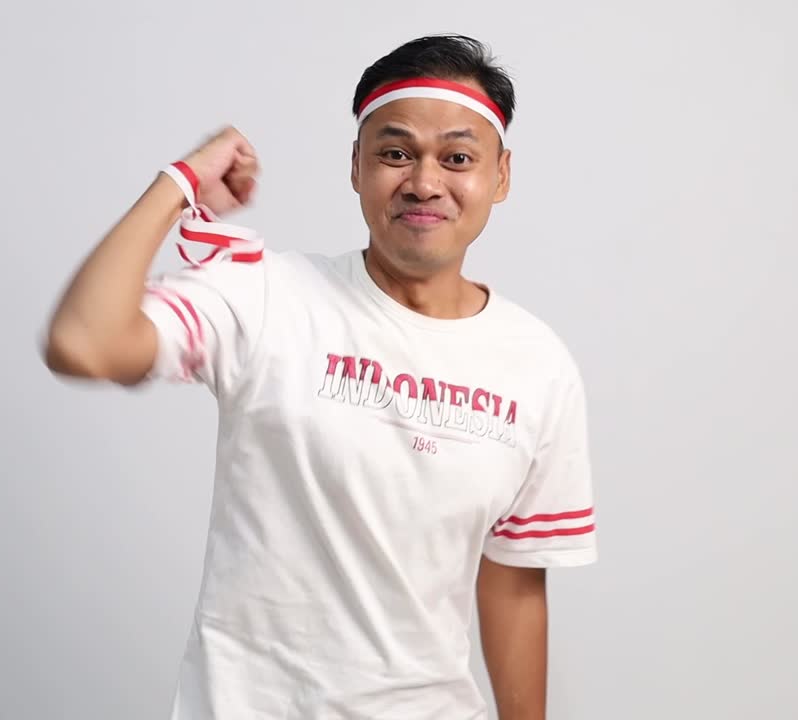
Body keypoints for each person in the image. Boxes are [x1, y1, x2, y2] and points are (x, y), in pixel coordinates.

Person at [44, 33, 597, 720]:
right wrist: (177, 183)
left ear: (501, 176)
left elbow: (513, 585)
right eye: (395, 153)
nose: (424, 182)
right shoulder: (266, 297)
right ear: (358, 166)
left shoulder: (537, 364)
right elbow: (84, 341)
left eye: (457, 158)